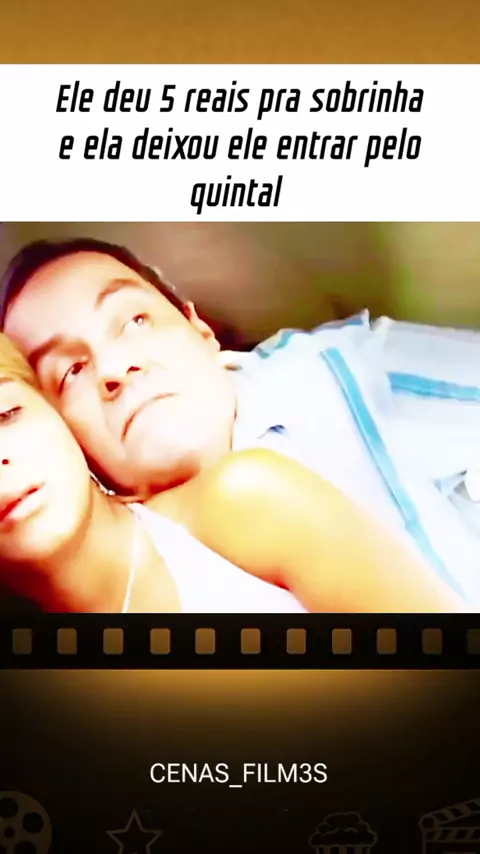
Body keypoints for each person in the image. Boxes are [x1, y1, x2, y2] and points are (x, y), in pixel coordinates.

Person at [2, 237, 480, 605]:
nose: (114, 368)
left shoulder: (335, 372)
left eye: (135, 321)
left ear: (199, 328)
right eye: (70, 371)